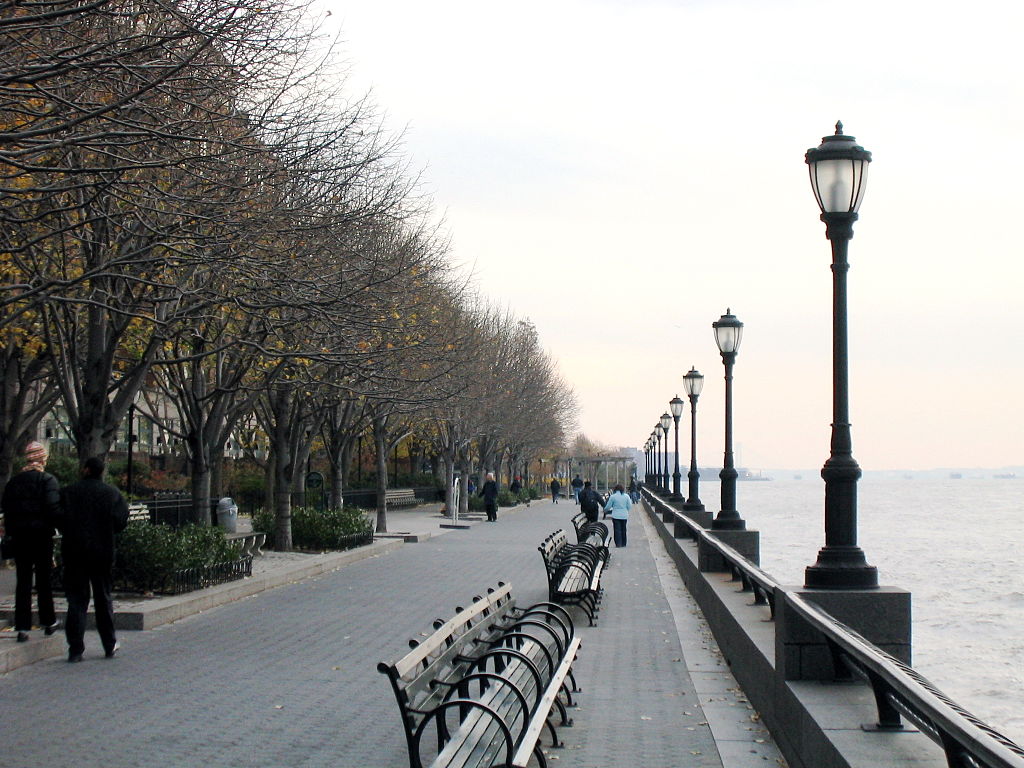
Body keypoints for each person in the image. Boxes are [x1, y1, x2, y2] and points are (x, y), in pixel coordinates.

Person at [57, 456, 129, 662]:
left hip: (74, 550)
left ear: (86, 470)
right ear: (101, 472)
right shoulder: (111, 493)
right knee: (103, 597)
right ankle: (109, 643)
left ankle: (75, 649)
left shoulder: (69, 492)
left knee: (77, 600)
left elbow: (58, 516)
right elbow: (121, 521)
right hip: (102, 550)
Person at [1, 441, 61, 642]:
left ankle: (22, 626)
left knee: (23, 580)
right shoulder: (47, 480)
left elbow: (7, 509)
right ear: (42, 459)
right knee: (43, 580)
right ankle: (48, 621)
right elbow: (53, 508)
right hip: (42, 536)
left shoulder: (14, 482)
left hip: (20, 537)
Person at [603, 483, 632, 548]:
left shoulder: (613, 497)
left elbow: (608, 506)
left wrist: (605, 510)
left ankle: (618, 543)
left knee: (617, 530)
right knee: (623, 529)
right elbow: (629, 506)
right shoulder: (626, 496)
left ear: (615, 489)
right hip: (624, 515)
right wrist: (625, 510)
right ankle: (624, 543)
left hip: (616, 515)